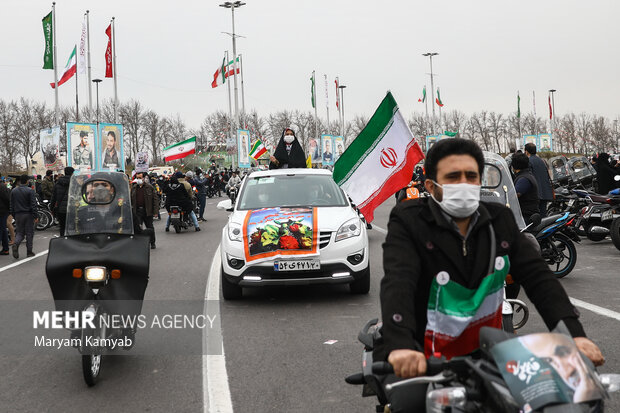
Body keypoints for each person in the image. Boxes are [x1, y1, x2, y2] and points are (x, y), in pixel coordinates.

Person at [374, 138, 604, 412]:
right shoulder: (408, 219)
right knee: (409, 405)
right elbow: (399, 280)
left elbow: (539, 279)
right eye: (453, 176)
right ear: (431, 187)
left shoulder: (499, 219)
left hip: (489, 350)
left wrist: (574, 335)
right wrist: (400, 345)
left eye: (471, 176)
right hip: (419, 349)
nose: (464, 183)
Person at [9, 175, 38, 259]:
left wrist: (14, 214)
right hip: (28, 214)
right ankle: (29, 251)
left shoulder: (14, 191)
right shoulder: (30, 191)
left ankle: (16, 243)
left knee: (20, 232)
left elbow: (11, 204)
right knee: (29, 233)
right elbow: (33, 205)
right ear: (27, 181)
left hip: (18, 215)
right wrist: (35, 216)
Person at [524, 143, 554, 216]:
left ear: (526, 151)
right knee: (543, 215)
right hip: (545, 192)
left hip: (535, 194)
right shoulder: (542, 161)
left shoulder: (528, 161)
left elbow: (529, 177)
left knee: (535, 217)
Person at [131, 172, 158, 249]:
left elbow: (155, 200)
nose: (139, 179)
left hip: (147, 211)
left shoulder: (149, 187)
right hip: (137, 211)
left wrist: (155, 212)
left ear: (144, 178)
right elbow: (130, 199)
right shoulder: (133, 188)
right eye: (137, 178)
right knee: (138, 228)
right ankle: (140, 243)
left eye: (140, 178)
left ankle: (152, 242)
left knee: (150, 227)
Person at [511, 152, 539, 224]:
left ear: (514, 165)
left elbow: (513, 195)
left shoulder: (524, 179)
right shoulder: (527, 175)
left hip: (526, 217)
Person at [50, 166, 74, 236]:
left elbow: (53, 197)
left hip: (61, 209)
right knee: (72, 227)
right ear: (72, 173)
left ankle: (62, 241)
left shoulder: (58, 183)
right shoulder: (74, 183)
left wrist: (51, 208)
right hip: (72, 209)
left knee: (62, 227)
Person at [0, 180, 10, 255]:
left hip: (2, 211)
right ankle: (6, 249)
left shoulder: (2, 186)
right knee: (3, 229)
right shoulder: (2, 186)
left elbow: (7, 199)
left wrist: (9, 209)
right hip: (3, 210)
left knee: (2, 229)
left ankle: (6, 249)